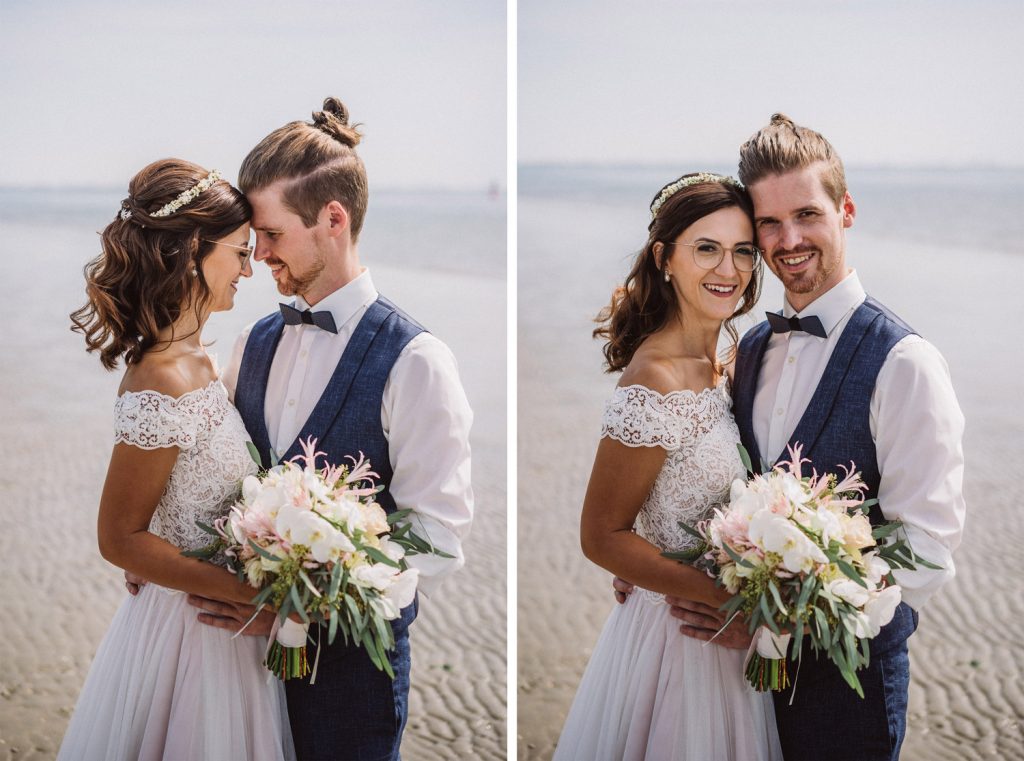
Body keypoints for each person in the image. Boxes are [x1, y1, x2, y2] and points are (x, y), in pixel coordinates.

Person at [621, 115, 966, 761]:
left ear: (847, 210)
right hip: (734, 690)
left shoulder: (905, 362)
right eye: (769, 224)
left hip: (848, 689)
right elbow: (723, 486)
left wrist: (777, 622)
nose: (789, 239)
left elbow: (926, 552)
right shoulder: (750, 347)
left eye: (807, 214)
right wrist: (661, 564)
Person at [177, 98, 474, 760]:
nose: (258, 256)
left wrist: (307, 591)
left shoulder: (418, 361)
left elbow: (439, 535)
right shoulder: (254, 342)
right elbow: (224, 479)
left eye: (273, 234)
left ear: (333, 220)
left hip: (350, 679)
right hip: (234, 670)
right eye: (253, 238)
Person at [61, 159, 295, 760]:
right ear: (194, 250)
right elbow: (119, 538)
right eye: (240, 252)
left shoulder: (200, 361)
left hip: (224, 629)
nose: (250, 268)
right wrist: (250, 595)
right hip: (189, 637)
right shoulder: (160, 380)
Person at [553, 172, 784, 760]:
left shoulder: (732, 359)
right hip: (680, 639)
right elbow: (601, 535)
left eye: (742, 252)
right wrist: (725, 599)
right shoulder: (653, 380)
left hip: (731, 638)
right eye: (706, 248)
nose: (727, 270)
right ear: (665, 259)